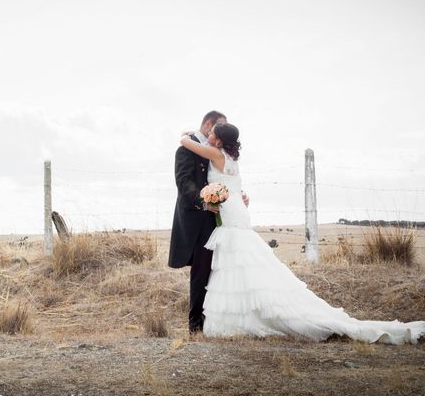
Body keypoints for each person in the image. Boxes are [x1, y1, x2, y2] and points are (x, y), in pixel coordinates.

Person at [180, 123, 425, 344]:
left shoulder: (215, 153)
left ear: (220, 141)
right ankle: (246, 312)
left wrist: (186, 134)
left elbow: (186, 143)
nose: (209, 134)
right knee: (240, 259)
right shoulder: (231, 158)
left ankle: (242, 317)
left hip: (231, 211)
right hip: (235, 208)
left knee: (235, 258)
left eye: (212, 133)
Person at [169, 110, 241, 334]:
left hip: (220, 218)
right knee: (201, 271)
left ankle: (218, 318)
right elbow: (184, 183)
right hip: (198, 217)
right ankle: (196, 324)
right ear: (209, 125)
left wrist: (239, 194)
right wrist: (203, 200)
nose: (219, 136)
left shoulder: (218, 151)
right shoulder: (185, 149)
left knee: (218, 268)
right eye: (218, 129)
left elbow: (225, 177)